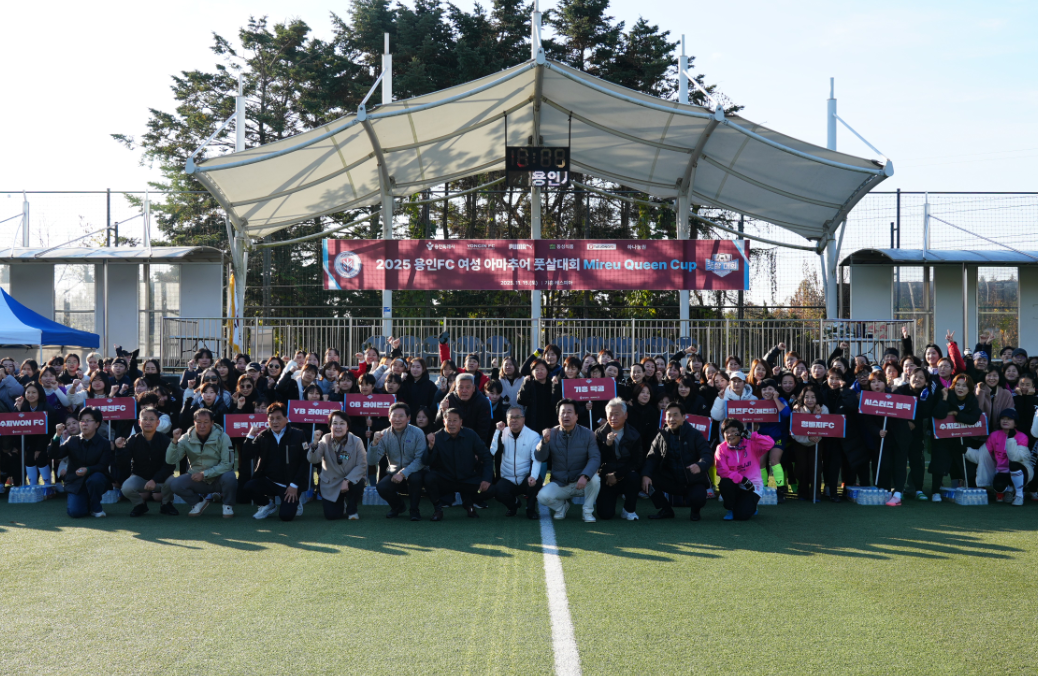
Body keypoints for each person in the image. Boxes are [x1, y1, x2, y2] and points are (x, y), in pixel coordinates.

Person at [641, 402, 713, 521]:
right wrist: (646, 475)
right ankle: (666, 510)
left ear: (684, 417)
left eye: (675, 415)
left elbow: (707, 454)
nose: (671, 419)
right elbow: (652, 458)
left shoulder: (695, 434)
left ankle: (695, 511)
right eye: (669, 415)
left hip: (692, 480)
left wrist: (700, 465)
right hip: (671, 480)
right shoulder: (661, 435)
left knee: (699, 497)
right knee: (647, 477)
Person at [535, 399, 601, 523]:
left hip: (581, 482)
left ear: (576, 416)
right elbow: (540, 457)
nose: (566, 415)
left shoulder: (588, 434)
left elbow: (595, 457)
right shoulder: (551, 433)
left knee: (595, 480)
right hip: (561, 483)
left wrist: (585, 476)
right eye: (562, 412)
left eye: (569, 412)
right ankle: (562, 507)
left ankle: (587, 511)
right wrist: (544, 442)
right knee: (542, 497)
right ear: (558, 416)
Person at [243, 403, 310, 521]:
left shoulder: (298, 435)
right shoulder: (263, 436)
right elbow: (248, 454)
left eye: (278, 418)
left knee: (286, 516)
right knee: (248, 487)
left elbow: (305, 461)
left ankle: (296, 500)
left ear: (286, 419)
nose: (275, 422)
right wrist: (250, 436)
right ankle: (267, 505)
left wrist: (294, 485)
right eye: (271, 419)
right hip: (270, 481)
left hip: (291, 485)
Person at [423, 409, 493, 521]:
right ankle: (438, 509)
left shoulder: (471, 435)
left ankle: (469, 504)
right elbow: (426, 462)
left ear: (461, 422)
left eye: (455, 420)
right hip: (446, 479)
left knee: (490, 489)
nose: (451, 423)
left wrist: (486, 479)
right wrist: (430, 447)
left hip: (467, 478)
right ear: (444, 421)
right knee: (428, 478)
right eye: (449, 420)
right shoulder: (436, 437)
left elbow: (486, 457)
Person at [166, 409, 237, 518]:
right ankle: (198, 502)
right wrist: (174, 442)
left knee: (230, 477)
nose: (202, 426)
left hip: (219, 478)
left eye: (206, 422)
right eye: (198, 422)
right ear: (194, 422)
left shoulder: (223, 437)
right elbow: (171, 460)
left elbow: (227, 464)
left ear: (212, 423)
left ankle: (228, 505)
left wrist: (204, 474)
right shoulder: (185, 438)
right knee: (176, 484)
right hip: (197, 479)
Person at [368, 402, 428, 520]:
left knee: (415, 478)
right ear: (389, 417)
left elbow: (420, 460)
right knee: (381, 487)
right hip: (394, 471)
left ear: (408, 418)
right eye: (394, 416)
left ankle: (414, 510)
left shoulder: (417, 433)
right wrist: (374, 444)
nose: (397, 419)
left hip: (415, 471)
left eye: (401, 416)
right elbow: (371, 461)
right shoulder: (384, 434)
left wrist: (403, 473)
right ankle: (398, 507)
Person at [48, 407, 112, 518]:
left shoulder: (104, 443)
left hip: (96, 479)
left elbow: (103, 466)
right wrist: (57, 436)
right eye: (82, 421)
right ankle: (87, 502)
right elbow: (54, 454)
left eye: (88, 421)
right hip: (75, 481)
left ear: (97, 424)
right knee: (75, 512)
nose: (84, 424)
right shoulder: (72, 440)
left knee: (96, 478)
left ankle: (96, 507)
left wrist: (88, 470)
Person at [115, 407, 177, 516]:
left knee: (173, 481)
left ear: (157, 423)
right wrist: (120, 449)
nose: (148, 422)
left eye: (152, 419)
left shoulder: (166, 440)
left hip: (161, 480)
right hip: (141, 478)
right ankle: (139, 505)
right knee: (126, 488)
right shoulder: (132, 440)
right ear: (139, 422)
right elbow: (122, 463)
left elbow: (170, 466)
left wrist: (154, 480)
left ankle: (166, 504)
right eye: (145, 419)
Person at [930, 373, 981, 501]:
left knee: (966, 465)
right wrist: (944, 399)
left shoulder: (972, 400)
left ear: (969, 388)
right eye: (957, 385)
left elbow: (974, 418)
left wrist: (956, 414)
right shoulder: (947, 395)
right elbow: (938, 414)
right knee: (939, 464)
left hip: (963, 439)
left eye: (964, 386)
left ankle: (969, 487)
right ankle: (935, 491)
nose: (960, 388)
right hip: (943, 438)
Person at [308, 411, 367, 520]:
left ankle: (352, 509)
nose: (338, 427)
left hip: (349, 482)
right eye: (335, 423)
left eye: (342, 423)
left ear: (347, 426)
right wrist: (315, 443)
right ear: (330, 426)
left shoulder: (357, 441)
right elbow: (313, 459)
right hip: (331, 482)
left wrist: (347, 480)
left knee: (358, 482)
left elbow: (362, 465)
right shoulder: (325, 439)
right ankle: (341, 505)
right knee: (332, 516)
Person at [967, 409, 1033, 506]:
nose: (1005, 421)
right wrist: (966, 451)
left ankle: (1019, 495)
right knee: (998, 487)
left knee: (1014, 465)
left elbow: (1015, 458)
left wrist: (1011, 439)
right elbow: (981, 456)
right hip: (1003, 471)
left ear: (1015, 423)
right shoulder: (994, 435)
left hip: (1023, 470)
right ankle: (1010, 489)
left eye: (1009, 419)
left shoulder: (1022, 437)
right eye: (1003, 418)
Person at [488, 407, 543, 519]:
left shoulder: (533, 436)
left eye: (517, 417)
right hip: (508, 478)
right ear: (506, 419)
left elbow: (536, 459)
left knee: (537, 481)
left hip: (525, 477)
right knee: (497, 490)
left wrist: (533, 476)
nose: (514, 420)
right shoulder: (502, 432)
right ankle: (513, 505)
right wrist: (497, 431)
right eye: (511, 417)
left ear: (524, 419)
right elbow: (493, 451)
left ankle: (530, 509)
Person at [594, 398, 643, 520]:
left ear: (625, 415)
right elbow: (597, 459)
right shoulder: (599, 433)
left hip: (625, 474)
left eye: (617, 414)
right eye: (610, 414)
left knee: (634, 477)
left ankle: (629, 509)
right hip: (605, 476)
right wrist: (608, 445)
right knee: (605, 515)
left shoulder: (634, 434)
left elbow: (637, 462)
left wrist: (617, 475)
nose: (613, 418)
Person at [433, 373, 492, 442]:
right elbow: (438, 425)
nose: (464, 391)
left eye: (468, 387)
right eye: (460, 387)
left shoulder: (482, 402)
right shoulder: (449, 399)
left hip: (473, 441)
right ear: (456, 387)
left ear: (473, 388)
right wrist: (442, 411)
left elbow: (483, 430)